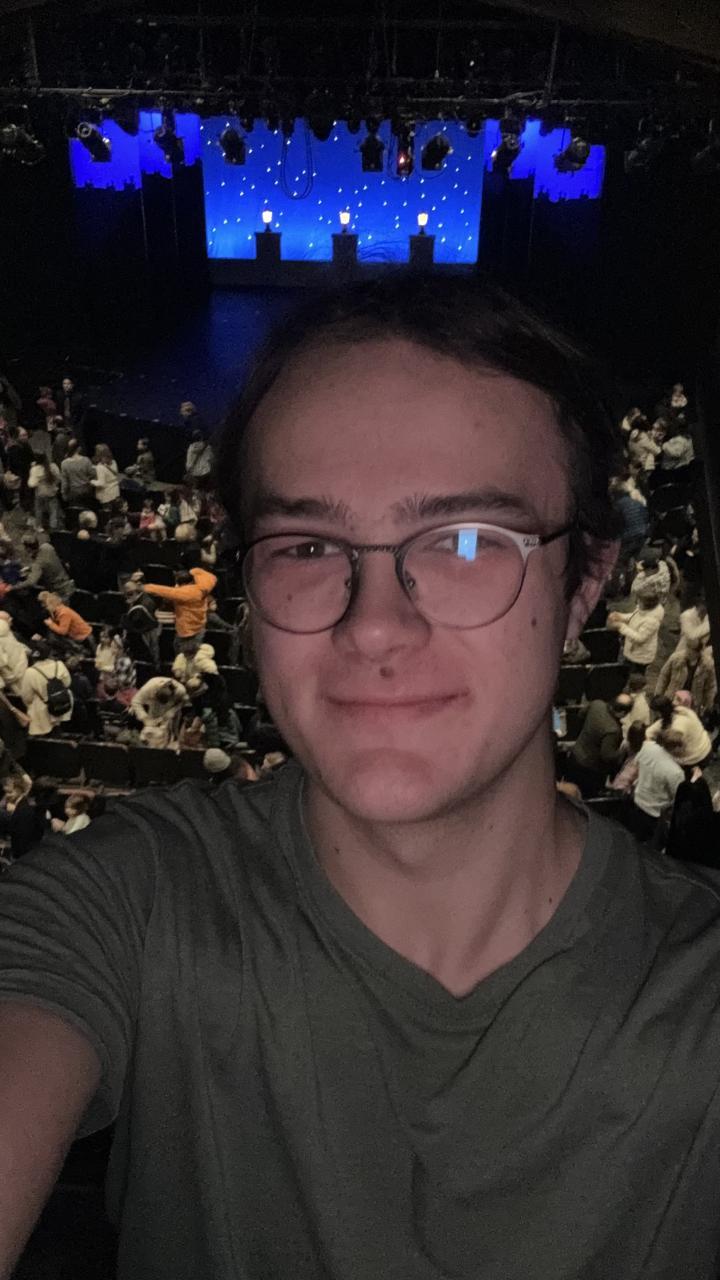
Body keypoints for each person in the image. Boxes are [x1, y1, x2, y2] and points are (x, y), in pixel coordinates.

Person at [7, 276, 720, 1280]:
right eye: (308, 545)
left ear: (585, 582)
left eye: (468, 540)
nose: (375, 625)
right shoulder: (125, 905)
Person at [564, 695, 631, 798]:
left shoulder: (597, 704)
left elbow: (581, 714)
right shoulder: (613, 730)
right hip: (589, 769)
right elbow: (607, 756)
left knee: (568, 794)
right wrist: (622, 750)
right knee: (586, 798)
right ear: (622, 713)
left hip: (575, 755)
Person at [628, 727, 685, 845]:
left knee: (636, 835)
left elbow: (637, 763)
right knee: (650, 842)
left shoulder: (647, 747)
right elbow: (678, 795)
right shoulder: (675, 772)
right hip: (654, 812)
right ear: (675, 747)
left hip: (638, 799)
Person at [144, 564, 217, 654]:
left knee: (186, 656)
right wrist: (193, 571)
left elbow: (163, 591)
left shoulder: (185, 593)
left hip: (189, 632)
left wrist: (144, 587)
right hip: (198, 627)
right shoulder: (202, 586)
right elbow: (210, 576)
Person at [19, 640, 73, 737]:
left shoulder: (29, 672)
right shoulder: (59, 664)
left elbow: (27, 698)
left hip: (42, 713)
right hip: (61, 705)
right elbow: (68, 683)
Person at [646, 694, 713, 768]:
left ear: (659, 712)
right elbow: (655, 728)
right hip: (703, 745)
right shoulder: (679, 711)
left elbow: (674, 748)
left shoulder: (677, 728)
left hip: (697, 757)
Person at [607, 591, 664, 675]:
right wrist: (620, 616)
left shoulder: (652, 621)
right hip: (633, 650)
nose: (637, 602)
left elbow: (640, 638)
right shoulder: (643, 610)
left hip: (640, 656)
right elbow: (635, 616)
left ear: (647, 604)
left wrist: (621, 626)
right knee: (625, 671)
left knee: (634, 676)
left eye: (639, 601)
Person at [130, 675, 187, 747]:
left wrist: (173, 710)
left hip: (170, 707)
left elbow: (184, 701)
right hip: (153, 704)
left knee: (165, 729)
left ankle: (165, 745)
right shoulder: (150, 686)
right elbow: (135, 701)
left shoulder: (181, 690)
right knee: (151, 727)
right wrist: (144, 718)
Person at [16, 533, 75, 601]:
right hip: (67, 582)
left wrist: (14, 587)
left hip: (59, 591)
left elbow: (31, 582)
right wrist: (30, 567)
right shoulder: (47, 546)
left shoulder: (38, 564)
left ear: (28, 548)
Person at [119, 578, 161, 666]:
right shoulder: (133, 601)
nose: (127, 597)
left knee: (150, 658)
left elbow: (139, 621)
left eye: (129, 594)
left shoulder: (146, 602)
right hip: (138, 635)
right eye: (126, 594)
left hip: (147, 634)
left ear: (136, 592)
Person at [38, 591, 93, 655]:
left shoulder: (64, 613)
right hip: (76, 638)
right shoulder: (56, 612)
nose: (43, 606)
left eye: (45, 604)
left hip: (85, 640)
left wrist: (51, 624)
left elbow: (63, 631)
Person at [0, 613, 28, 696]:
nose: (11, 619)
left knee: (24, 695)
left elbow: (2, 662)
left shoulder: (6, 633)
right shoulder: (7, 632)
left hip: (12, 673)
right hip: (23, 665)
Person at [60, 440, 95, 506]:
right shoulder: (86, 460)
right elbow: (93, 474)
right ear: (79, 448)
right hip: (86, 490)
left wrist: (63, 493)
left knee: (76, 510)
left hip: (73, 492)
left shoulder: (64, 463)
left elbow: (65, 481)